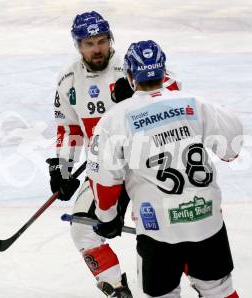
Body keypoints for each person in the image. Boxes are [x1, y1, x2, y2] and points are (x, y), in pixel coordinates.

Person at [87, 40, 242, 298]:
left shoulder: (115, 119)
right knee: (219, 290)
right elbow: (232, 149)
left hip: (158, 230)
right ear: (163, 71)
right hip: (207, 222)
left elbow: (105, 182)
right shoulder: (195, 103)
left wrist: (107, 218)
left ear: (129, 76)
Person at [46, 11, 181, 297]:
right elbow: (70, 128)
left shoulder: (131, 66)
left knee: (159, 232)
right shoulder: (68, 78)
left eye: (102, 41)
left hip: (149, 164)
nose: (97, 49)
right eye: (89, 43)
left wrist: (137, 98)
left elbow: (174, 94)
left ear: (110, 40)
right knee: (83, 230)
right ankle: (118, 290)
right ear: (78, 45)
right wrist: (63, 168)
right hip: (105, 166)